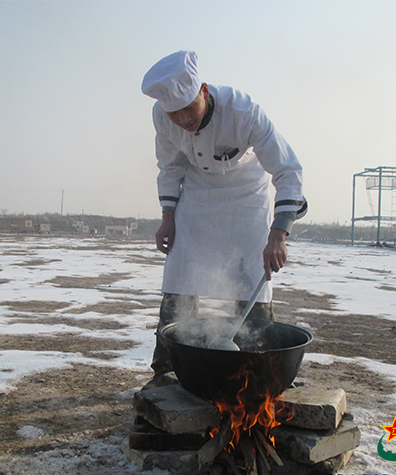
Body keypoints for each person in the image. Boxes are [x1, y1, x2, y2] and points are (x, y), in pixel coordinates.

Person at [141, 51, 308, 376]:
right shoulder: (162, 118)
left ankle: (258, 375)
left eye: (189, 108)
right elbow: (171, 166)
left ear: (203, 91)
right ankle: (166, 374)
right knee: (179, 281)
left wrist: (278, 234)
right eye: (175, 113)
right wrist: (168, 217)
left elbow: (288, 171)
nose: (184, 120)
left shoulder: (244, 112)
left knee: (251, 286)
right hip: (198, 197)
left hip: (247, 197)